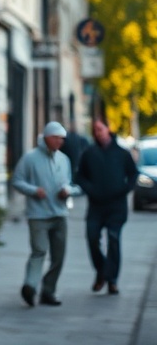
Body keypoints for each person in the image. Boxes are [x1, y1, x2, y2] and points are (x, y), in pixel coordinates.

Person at [11, 120, 79, 307]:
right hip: (38, 215)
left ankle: (48, 291)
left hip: (60, 213)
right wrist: (34, 190)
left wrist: (67, 190)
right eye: (56, 138)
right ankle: (30, 287)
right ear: (47, 138)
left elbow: (69, 183)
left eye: (62, 139)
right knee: (39, 251)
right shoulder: (30, 158)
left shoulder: (63, 159)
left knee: (59, 256)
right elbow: (17, 181)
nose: (60, 142)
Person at [74, 117, 139, 295]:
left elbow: (133, 175)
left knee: (114, 240)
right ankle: (102, 272)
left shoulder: (122, 153)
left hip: (116, 206)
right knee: (92, 238)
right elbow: (80, 176)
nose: (98, 133)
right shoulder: (89, 153)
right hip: (95, 207)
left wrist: (124, 190)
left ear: (108, 129)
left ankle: (112, 280)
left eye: (100, 129)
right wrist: (90, 189)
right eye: (95, 130)